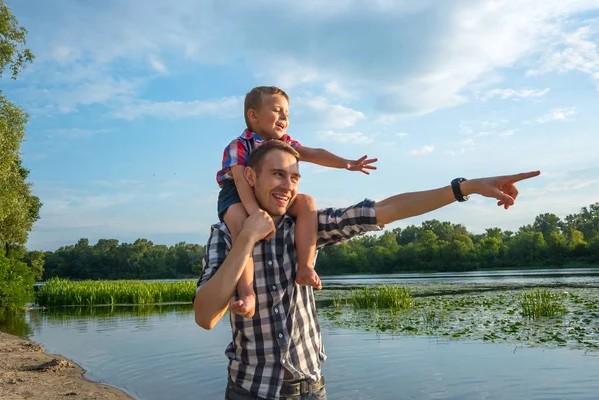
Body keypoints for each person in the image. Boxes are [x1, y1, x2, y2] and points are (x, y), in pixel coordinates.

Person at [194, 140, 540, 400]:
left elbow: (386, 209)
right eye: (278, 175)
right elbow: (205, 316)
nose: (288, 185)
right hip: (249, 390)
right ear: (250, 177)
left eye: (295, 177)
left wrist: (466, 187)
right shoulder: (225, 235)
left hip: (310, 389)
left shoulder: (307, 228)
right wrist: (247, 239)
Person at [217, 86, 377, 319]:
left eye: (287, 114)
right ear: (253, 115)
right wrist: (255, 215)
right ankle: (248, 293)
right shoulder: (239, 145)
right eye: (277, 111)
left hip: (274, 194)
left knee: (306, 202)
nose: (284, 118)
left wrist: (347, 163)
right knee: (241, 226)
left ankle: (305, 267)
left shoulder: (286, 143)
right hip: (237, 194)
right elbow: (241, 180)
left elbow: (314, 153)